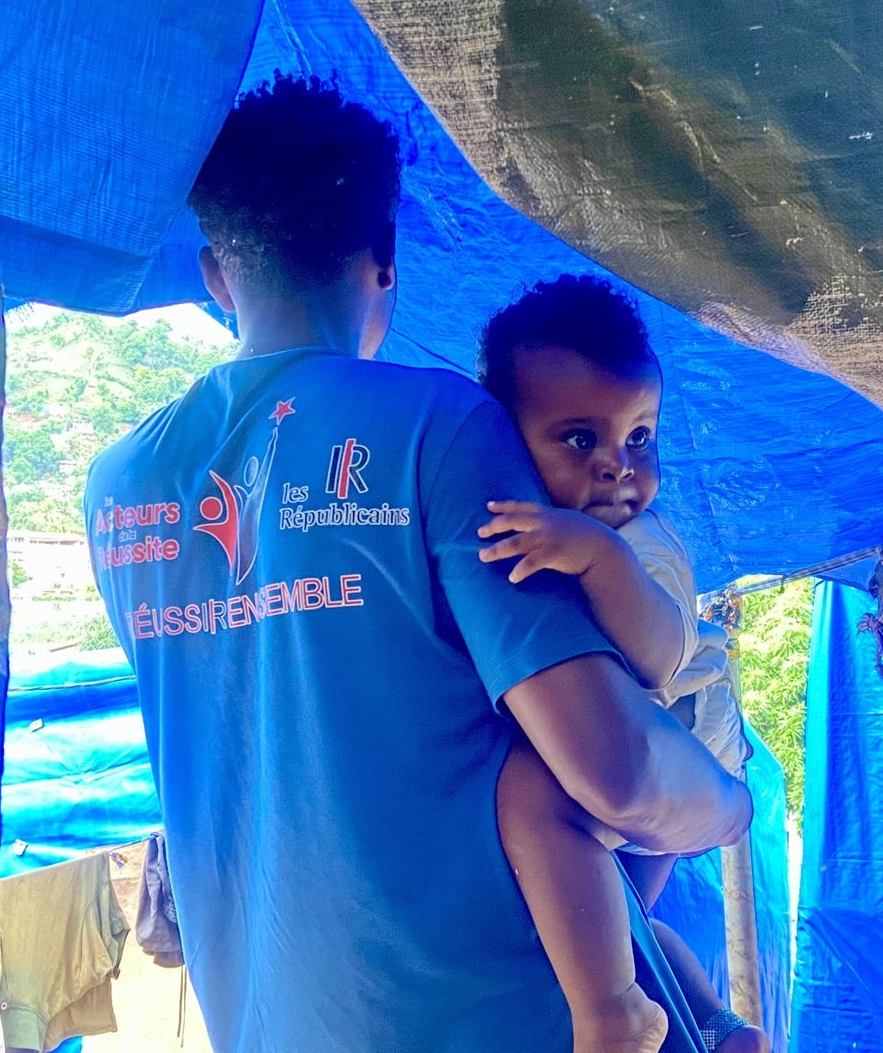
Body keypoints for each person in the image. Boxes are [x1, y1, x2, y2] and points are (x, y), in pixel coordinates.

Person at [84, 74, 752, 1053]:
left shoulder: (118, 488)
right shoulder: (437, 428)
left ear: (216, 275)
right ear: (385, 261)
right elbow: (613, 772)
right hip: (509, 1020)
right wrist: (727, 804)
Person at [478, 276, 769, 1053]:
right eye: (581, 439)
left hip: (682, 748)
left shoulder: (641, 544)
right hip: (655, 764)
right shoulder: (562, 529)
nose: (619, 468)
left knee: (531, 799)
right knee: (622, 924)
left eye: (640, 437)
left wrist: (599, 556)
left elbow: (658, 653)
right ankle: (716, 1022)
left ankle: (611, 1015)